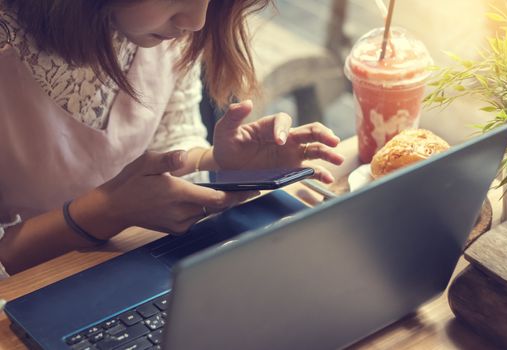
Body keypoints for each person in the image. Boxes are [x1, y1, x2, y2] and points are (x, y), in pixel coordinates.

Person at [0, 0, 345, 277]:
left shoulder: (158, 30)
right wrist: (107, 210)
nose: (197, 20)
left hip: (134, 262)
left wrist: (218, 165)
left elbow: (170, 138)